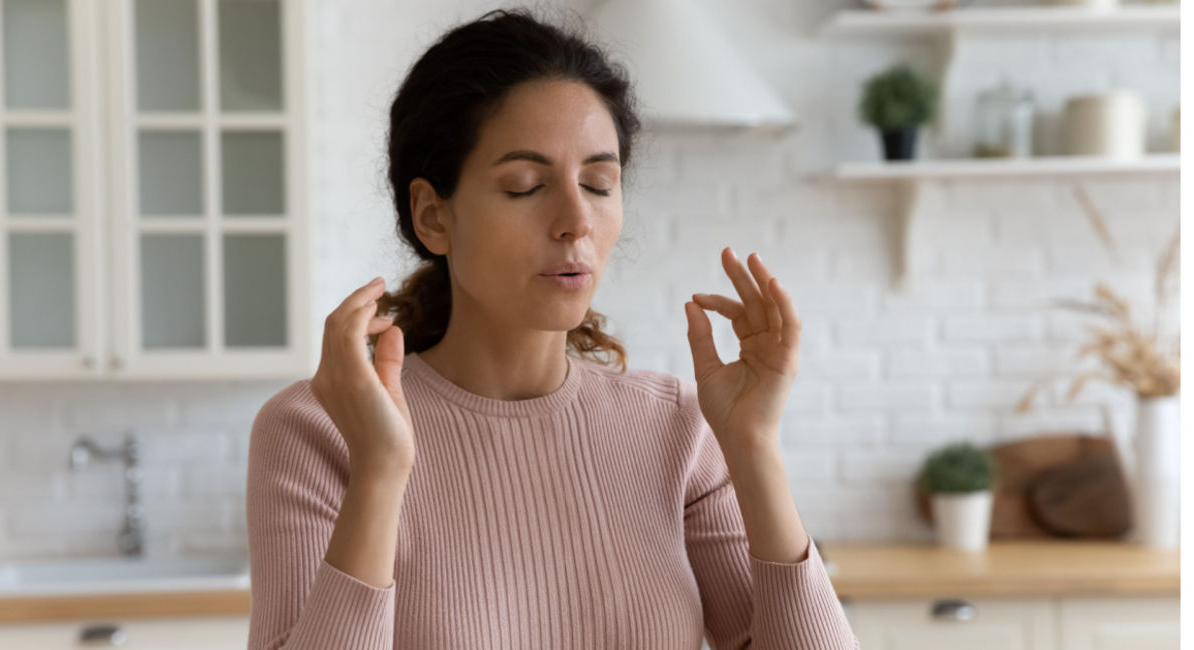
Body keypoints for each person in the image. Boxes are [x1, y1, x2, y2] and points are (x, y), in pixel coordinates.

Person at [246, 7, 860, 649]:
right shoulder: (317, 431)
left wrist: (754, 447)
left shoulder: (677, 428)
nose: (576, 221)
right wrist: (379, 469)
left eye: (599, 183)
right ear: (433, 216)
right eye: (524, 186)